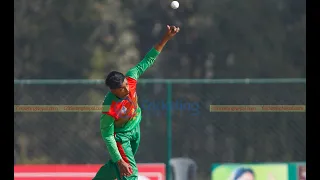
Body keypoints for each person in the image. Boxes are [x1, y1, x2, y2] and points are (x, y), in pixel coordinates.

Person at [93, 25, 180, 180]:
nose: (127, 90)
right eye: (121, 89)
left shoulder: (131, 77)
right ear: (113, 90)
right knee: (129, 172)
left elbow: (149, 59)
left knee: (116, 167)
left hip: (135, 129)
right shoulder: (109, 106)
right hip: (121, 137)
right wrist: (120, 160)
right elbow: (108, 136)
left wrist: (166, 37)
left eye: (126, 85)